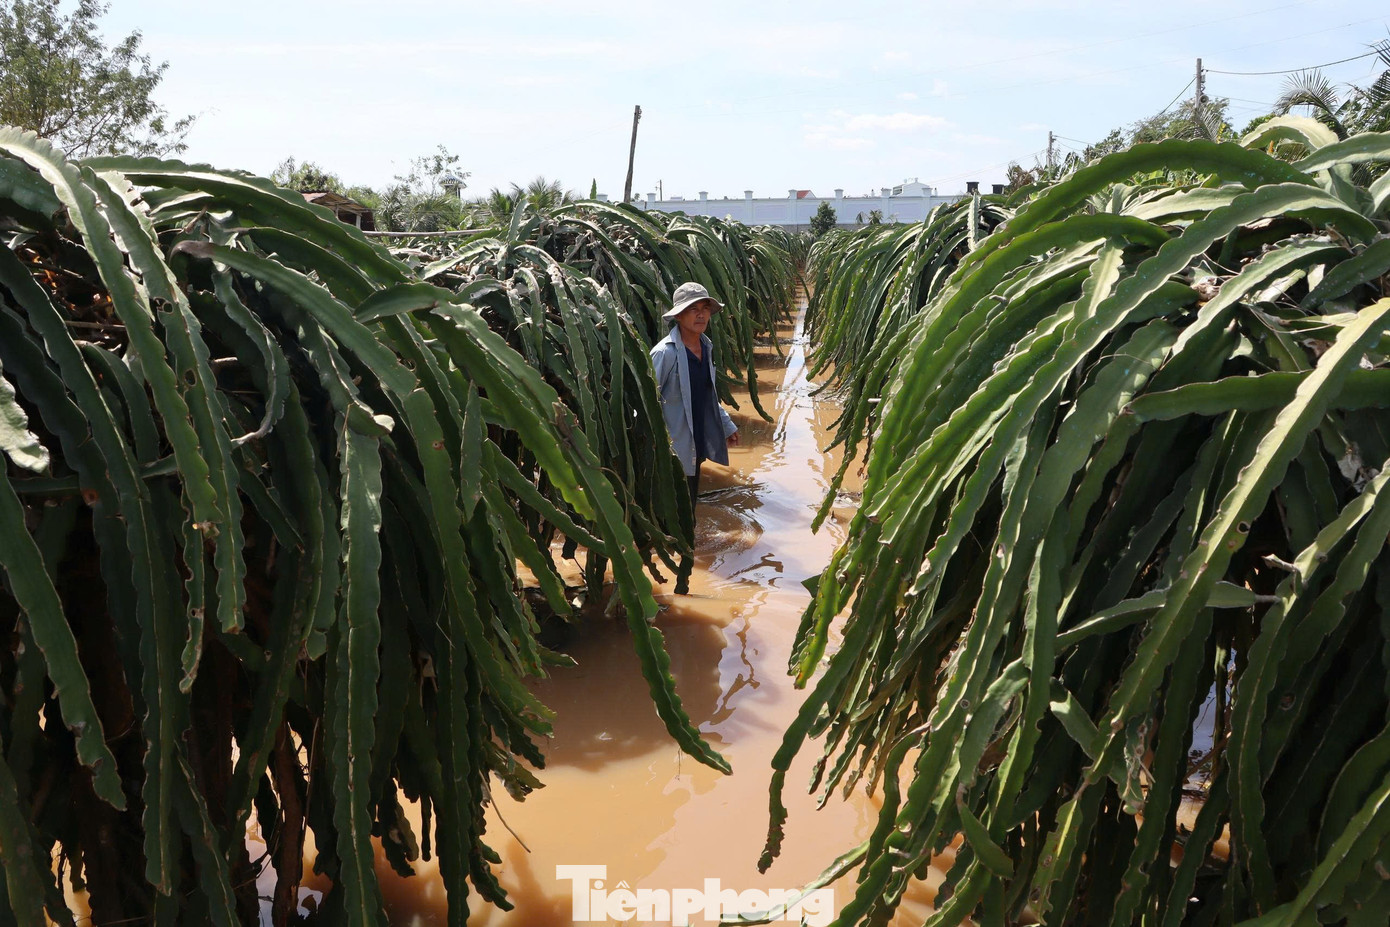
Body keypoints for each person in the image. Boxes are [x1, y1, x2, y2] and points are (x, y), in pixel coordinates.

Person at [650, 282, 740, 590]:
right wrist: (652, 446)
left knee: (687, 507)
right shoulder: (665, 354)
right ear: (678, 316)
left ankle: (683, 564)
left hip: (695, 443)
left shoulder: (706, 348)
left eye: (705, 309)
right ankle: (677, 578)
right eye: (693, 310)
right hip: (671, 449)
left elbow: (707, 394)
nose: (700, 315)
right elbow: (646, 400)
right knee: (675, 511)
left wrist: (726, 426)